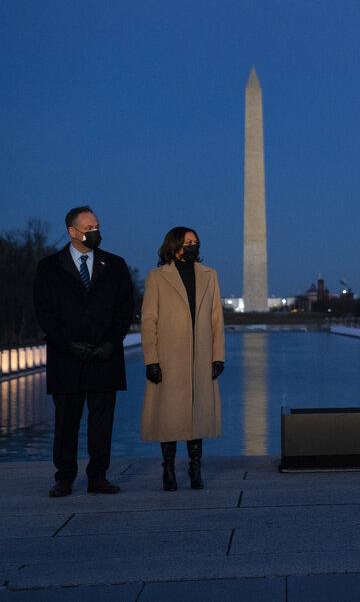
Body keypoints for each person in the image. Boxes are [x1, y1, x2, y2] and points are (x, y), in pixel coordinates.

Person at [33, 206, 134, 497]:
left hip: (105, 356)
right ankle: (64, 477)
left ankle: (98, 476)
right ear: (72, 232)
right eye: (89, 227)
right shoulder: (49, 267)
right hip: (67, 357)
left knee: (102, 422)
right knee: (66, 421)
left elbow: (124, 310)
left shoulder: (115, 265)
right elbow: (45, 313)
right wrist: (68, 344)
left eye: (97, 226)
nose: (95, 231)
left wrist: (111, 342)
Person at [140, 227, 225, 491]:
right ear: (175, 246)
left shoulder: (210, 275)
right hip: (169, 357)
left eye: (196, 242)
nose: (193, 246)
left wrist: (218, 355)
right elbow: (148, 320)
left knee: (197, 416)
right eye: (188, 242)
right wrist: (151, 359)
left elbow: (216, 319)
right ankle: (168, 469)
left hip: (199, 357)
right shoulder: (157, 277)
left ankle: (195, 469)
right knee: (169, 417)